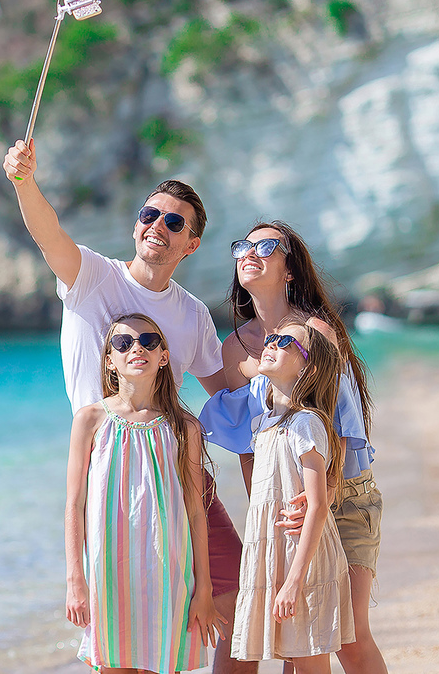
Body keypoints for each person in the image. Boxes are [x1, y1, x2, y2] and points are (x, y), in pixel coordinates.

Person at [4, 139, 254, 673]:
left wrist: (276, 484)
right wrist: (25, 181)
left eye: (173, 223)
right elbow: (46, 230)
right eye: (150, 215)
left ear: (190, 245)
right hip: (110, 469)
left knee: (238, 594)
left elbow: (230, 405)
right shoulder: (91, 277)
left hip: (176, 464)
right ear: (136, 224)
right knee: (120, 628)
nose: (157, 226)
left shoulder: (191, 316)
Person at [203, 222, 388, 673]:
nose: (251, 252)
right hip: (283, 514)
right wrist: (265, 514)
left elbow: (341, 424)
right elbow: (251, 448)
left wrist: (317, 494)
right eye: (244, 246)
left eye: (267, 246)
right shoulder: (235, 352)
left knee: (349, 636)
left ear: (289, 269)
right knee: (297, 639)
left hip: (341, 497)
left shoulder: (314, 331)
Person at [64, 314, 223, 672]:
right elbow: (73, 505)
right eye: (123, 343)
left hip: (167, 572)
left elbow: (196, 511)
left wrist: (204, 588)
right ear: (110, 360)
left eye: (148, 341)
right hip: (108, 572)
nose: (136, 348)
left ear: (164, 356)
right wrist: (76, 579)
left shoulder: (184, 427)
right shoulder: (89, 420)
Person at [230, 320, 355, 672]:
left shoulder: (305, 423)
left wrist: (294, 580)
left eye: (284, 342)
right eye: (270, 338)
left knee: (310, 660)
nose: (270, 344)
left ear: (309, 367)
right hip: (277, 554)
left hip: (302, 559)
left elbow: (316, 505)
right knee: (295, 656)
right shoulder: (266, 423)